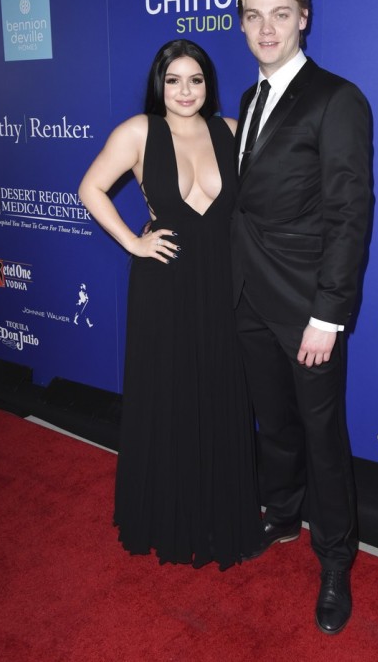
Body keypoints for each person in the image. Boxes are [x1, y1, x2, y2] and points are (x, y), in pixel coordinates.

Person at [79, 39, 263, 570]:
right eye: (174, 80)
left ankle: (220, 516)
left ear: (209, 84)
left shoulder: (231, 132)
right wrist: (132, 243)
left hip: (222, 283)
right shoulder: (139, 132)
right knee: (169, 394)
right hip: (164, 284)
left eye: (195, 80)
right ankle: (167, 517)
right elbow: (90, 188)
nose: (185, 91)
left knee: (220, 393)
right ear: (159, 84)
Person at [232, 0, 371, 632]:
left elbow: (349, 215)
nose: (267, 29)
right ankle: (283, 515)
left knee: (322, 437)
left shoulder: (336, 99)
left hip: (307, 307)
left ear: (303, 18)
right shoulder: (249, 98)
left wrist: (328, 315)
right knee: (275, 424)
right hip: (249, 298)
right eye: (254, 15)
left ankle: (336, 558)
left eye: (280, 14)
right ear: (242, 23)